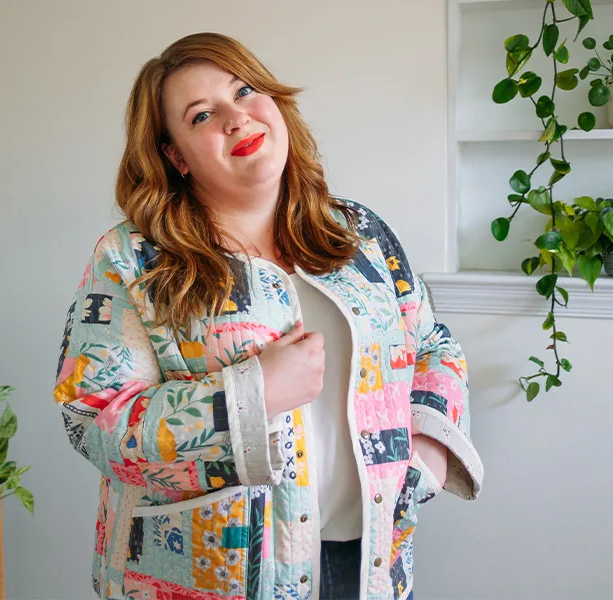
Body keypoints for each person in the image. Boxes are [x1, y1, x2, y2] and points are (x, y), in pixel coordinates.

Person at [53, 32, 483, 600]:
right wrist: (252, 394)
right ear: (175, 156)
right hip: (209, 578)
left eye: (245, 90)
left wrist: (423, 456)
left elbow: (432, 348)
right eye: (203, 114)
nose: (236, 118)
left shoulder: (360, 235)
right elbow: (93, 419)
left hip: (366, 564)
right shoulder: (134, 258)